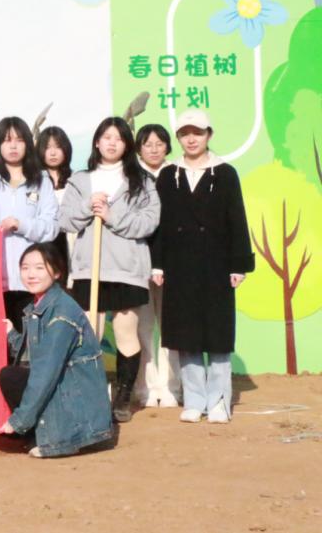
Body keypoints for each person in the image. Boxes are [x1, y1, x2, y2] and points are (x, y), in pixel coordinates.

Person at [151, 110, 254, 424]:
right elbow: (160, 224)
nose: (191, 139)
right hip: (180, 266)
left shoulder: (225, 173)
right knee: (186, 335)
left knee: (218, 335)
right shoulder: (168, 175)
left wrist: (239, 265)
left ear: (209, 134)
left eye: (197, 132)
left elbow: (237, 220)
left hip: (217, 265)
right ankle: (194, 400)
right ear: (178, 138)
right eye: (185, 133)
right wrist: (158, 264)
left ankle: (219, 401)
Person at [59, 117, 160, 423]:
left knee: (126, 332)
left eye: (118, 138)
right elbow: (65, 220)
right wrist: (88, 207)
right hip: (89, 270)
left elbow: (149, 222)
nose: (112, 143)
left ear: (126, 144)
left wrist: (112, 215)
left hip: (126, 269)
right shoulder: (80, 180)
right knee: (90, 334)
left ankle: (123, 397)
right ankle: (91, 394)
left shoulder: (142, 181)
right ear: (97, 142)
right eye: (106, 137)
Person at [0, 242, 113, 458]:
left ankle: (52, 439)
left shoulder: (62, 313)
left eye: (39, 268)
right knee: (11, 375)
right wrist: (12, 334)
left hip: (74, 398)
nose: (31, 274)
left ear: (57, 272)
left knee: (19, 377)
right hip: (65, 385)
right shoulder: (39, 306)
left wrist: (19, 420)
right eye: (25, 268)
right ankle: (34, 433)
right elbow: (36, 353)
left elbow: (45, 372)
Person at [0, 117, 58, 332]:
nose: (13, 146)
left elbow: (51, 228)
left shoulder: (41, 181)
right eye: (7, 140)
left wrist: (21, 225)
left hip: (31, 280)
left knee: (31, 340)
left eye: (19, 140)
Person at [133, 123, 182, 408]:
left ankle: (172, 386)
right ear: (138, 148)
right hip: (138, 259)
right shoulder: (131, 175)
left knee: (171, 326)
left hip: (173, 261)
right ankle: (146, 388)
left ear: (167, 147)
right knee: (142, 327)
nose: (153, 149)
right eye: (147, 144)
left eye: (159, 143)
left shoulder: (177, 173)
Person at [37, 126, 73, 270]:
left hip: (70, 242)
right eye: (47, 147)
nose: (53, 153)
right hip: (44, 242)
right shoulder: (34, 182)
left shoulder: (75, 179)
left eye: (58, 147)